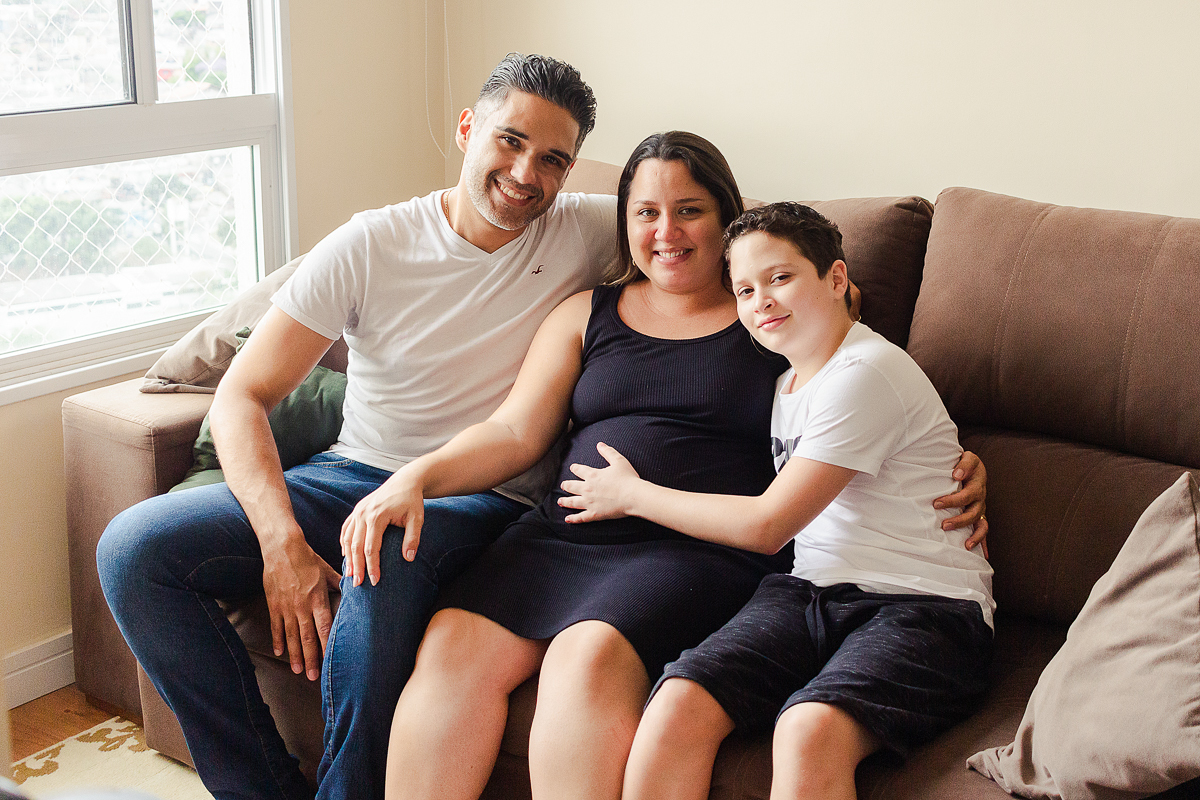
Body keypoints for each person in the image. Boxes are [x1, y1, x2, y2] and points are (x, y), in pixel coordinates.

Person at [348, 132, 987, 800]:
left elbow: (867, 386)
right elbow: (513, 431)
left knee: (584, 653)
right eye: (646, 213)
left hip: (697, 548)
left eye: (689, 210)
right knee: (451, 643)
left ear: (726, 218)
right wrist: (418, 476)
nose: (666, 231)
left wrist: (963, 459)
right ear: (624, 225)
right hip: (566, 533)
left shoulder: (766, 311)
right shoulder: (585, 313)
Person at [96, 53, 618, 800]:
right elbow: (243, 395)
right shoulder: (371, 243)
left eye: (553, 160)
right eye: (509, 140)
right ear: (468, 128)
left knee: (386, 547)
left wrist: (824, 303)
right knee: (133, 549)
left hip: (486, 498)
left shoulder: (589, 230)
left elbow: (710, 220)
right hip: (350, 473)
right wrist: (283, 547)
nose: (526, 173)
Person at [559, 202, 996, 800]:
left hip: (924, 606)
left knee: (806, 728)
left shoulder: (866, 372)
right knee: (676, 701)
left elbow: (768, 525)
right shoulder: (782, 385)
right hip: (809, 592)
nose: (760, 299)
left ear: (837, 279)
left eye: (780, 277)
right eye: (743, 289)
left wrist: (633, 495)